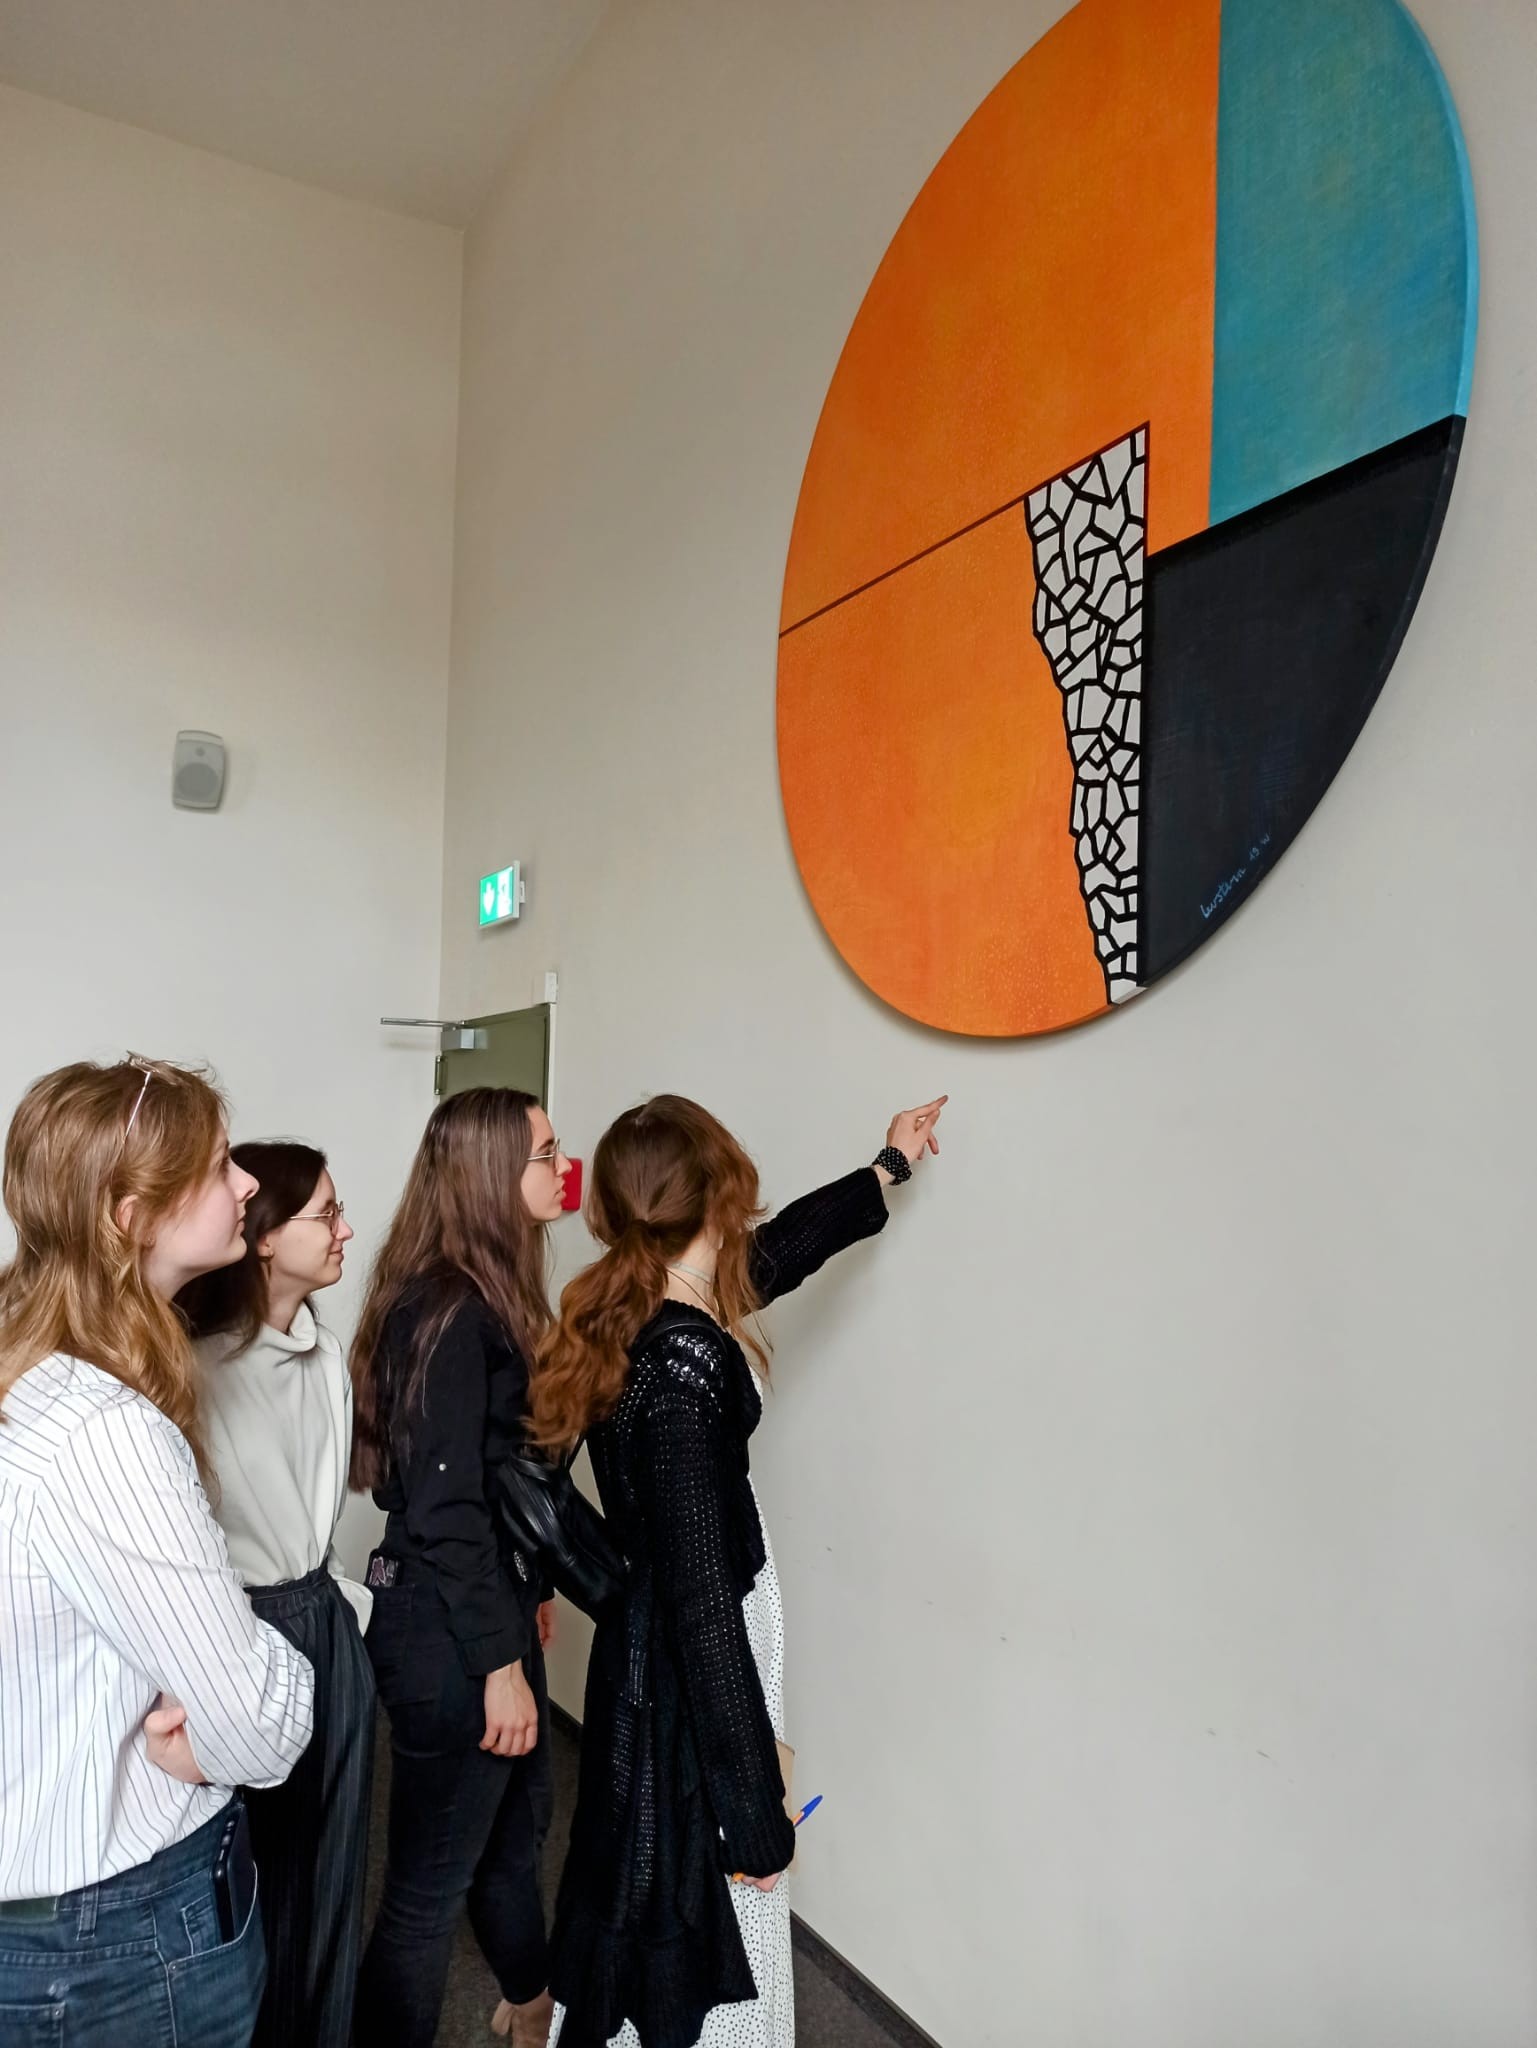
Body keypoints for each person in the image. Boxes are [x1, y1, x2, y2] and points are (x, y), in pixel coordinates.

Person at [531, 1091, 946, 2048]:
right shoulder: (683, 1360)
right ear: (716, 1192)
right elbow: (703, 1613)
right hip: (696, 1656)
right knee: (701, 1895)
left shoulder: (632, 1304)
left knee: (647, 1877)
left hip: (670, 1641)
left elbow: (778, 1254)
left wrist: (884, 1168)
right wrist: (758, 1816)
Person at [0, 1057, 316, 2048]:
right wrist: (269, 1677)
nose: (248, 1182)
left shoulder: (24, 1362)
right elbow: (258, 1728)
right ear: (130, 1215)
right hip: (118, 1939)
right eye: (220, 1166)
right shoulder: (101, 1431)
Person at [350, 1087, 571, 2048]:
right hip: (448, 1637)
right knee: (425, 1894)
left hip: (480, 1615)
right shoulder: (450, 1310)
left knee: (513, 1842)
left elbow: (493, 1479)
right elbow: (445, 1512)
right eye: (545, 1153)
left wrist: (530, 1595)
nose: (563, 1168)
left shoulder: (481, 1296)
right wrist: (498, 1661)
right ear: (491, 1174)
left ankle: (531, 2008)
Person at [178, 1140, 373, 2048]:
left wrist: (340, 1616)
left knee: (331, 1887)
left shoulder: (325, 1353)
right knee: (248, 1890)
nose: (345, 1231)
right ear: (263, 1237)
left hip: (319, 1621)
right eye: (326, 1213)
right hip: (237, 1629)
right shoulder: (195, 1368)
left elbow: (314, 1520)